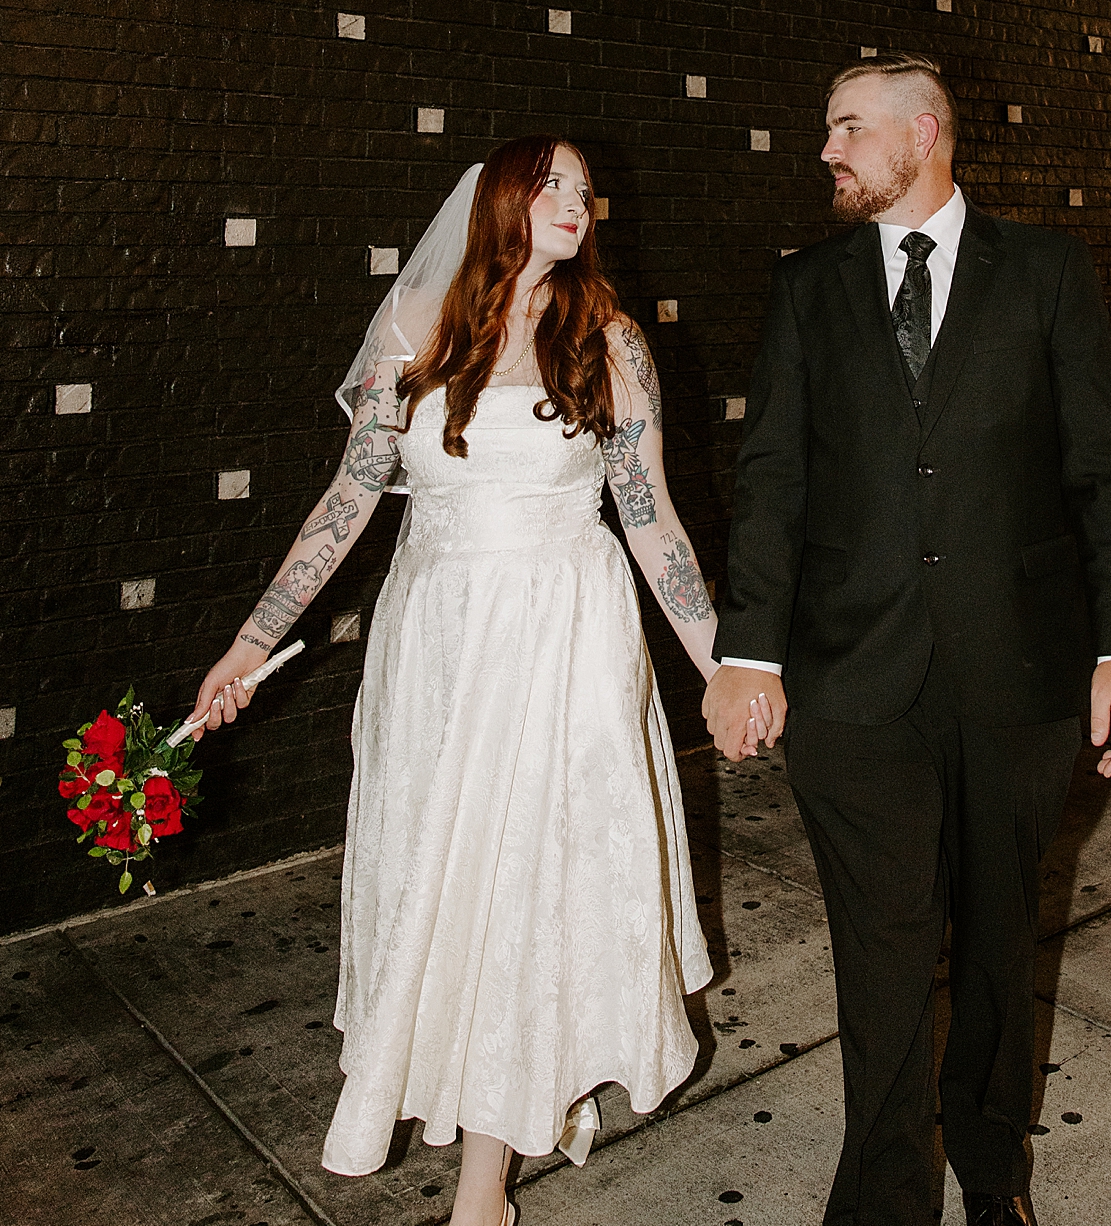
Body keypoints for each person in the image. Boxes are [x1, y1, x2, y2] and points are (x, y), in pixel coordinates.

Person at [193, 137, 764, 1226]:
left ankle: (482, 1190)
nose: (575, 201)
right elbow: (343, 508)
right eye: (549, 183)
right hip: (438, 650)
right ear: (498, 202)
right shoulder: (415, 336)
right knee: (442, 886)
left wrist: (719, 667)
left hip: (566, 645)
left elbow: (652, 523)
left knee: (527, 892)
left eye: (584, 187)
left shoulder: (610, 339)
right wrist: (248, 643)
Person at [704, 55, 1111, 1226]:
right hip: (852, 683)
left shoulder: (1047, 271)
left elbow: (1107, 471)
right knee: (885, 955)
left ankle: (994, 1169)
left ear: (924, 131)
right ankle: (884, 1199)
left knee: (1001, 939)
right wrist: (747, 651)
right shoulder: (809, 288)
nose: (827, 151)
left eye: (847, 127)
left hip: (1020, 673)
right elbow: (773, 481)